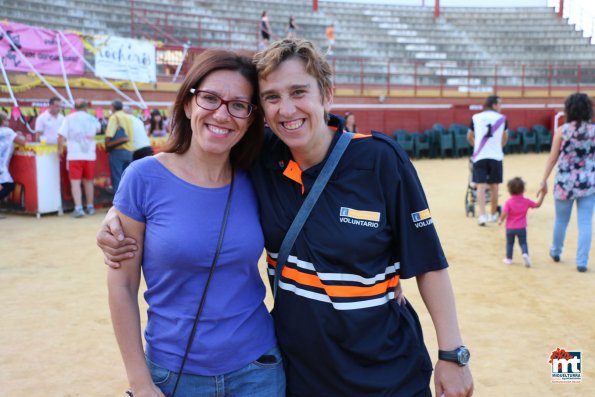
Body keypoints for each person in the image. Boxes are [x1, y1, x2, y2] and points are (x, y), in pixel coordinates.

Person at [98, 39, 473, 397]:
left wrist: (452, 352)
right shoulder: (262, 163)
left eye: (298, 92)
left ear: (326, 94)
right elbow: (181, 187)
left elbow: (428, 261)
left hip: (382, 370)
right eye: (272, 98)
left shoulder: (379, 160)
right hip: (300, 373)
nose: (287, 109)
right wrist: (118, 215)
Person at [107, 49, 284, 397]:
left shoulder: (260, 176)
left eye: (238, 105)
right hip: (174, 374)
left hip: (258, 371)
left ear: (250, 118)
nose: (222, 113)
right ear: (188, 104)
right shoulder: (143, 178)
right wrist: (140, 382)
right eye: (210, 98)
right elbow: (121, 287)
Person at [539, 92, 595, 273]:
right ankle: (582, 262)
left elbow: (552, 158)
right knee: (585, 223)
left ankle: (556, 251)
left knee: (561, 221)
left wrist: (543, 180)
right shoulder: (593, 131)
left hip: (564, 182)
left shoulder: (563, 130)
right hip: (587, 182)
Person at [467, 95, 508, 226]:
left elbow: (469, 136)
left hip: (480, 155)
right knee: (494, 186)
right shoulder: (502, 119)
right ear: (494, 105)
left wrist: (476, 147)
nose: (501, 107)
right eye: (500, 104)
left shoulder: (476, 117)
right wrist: (498, 147)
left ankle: (482, 216)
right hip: (496, 155)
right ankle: (492, 215)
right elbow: (505, 137)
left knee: (480, 185)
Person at [57, 99, 101, 218]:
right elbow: (99, 129)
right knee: (89, 182)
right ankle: (90, 206)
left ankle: (79, 208)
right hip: (89, 155)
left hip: (74, 155)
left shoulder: (69, 118)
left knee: (75, 182)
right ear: (86, 107)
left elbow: (60, 136)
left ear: (74, 107)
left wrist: (59, 150)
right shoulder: (92, 118)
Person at [498, 177, 545, 267]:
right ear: (523, 190)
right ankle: (525, 254)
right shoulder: (526, 201)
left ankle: (509, 258)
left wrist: (500, 220)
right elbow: (537, 205)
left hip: (510, 227)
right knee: (523, 242)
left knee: (510, 243)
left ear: (509, 190)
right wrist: (542, 195)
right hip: (521, 227)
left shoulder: (508, 202)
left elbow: (504, 213)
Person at [0, 111, 26, 218]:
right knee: (9, 186)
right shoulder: (8, 131)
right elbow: (22, 142)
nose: (8, 122)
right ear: (3, 121)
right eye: (6, 120)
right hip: (1, 165)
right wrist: (20, 135)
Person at [105, 99, 135, 193]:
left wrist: (107, 144)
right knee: (127, 180)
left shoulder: (114, 117)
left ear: (113, 107)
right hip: (129, 151)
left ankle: (118, 205)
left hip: (117, 151)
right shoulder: (129, 117)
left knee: (117, 179)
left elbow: (109, 134)